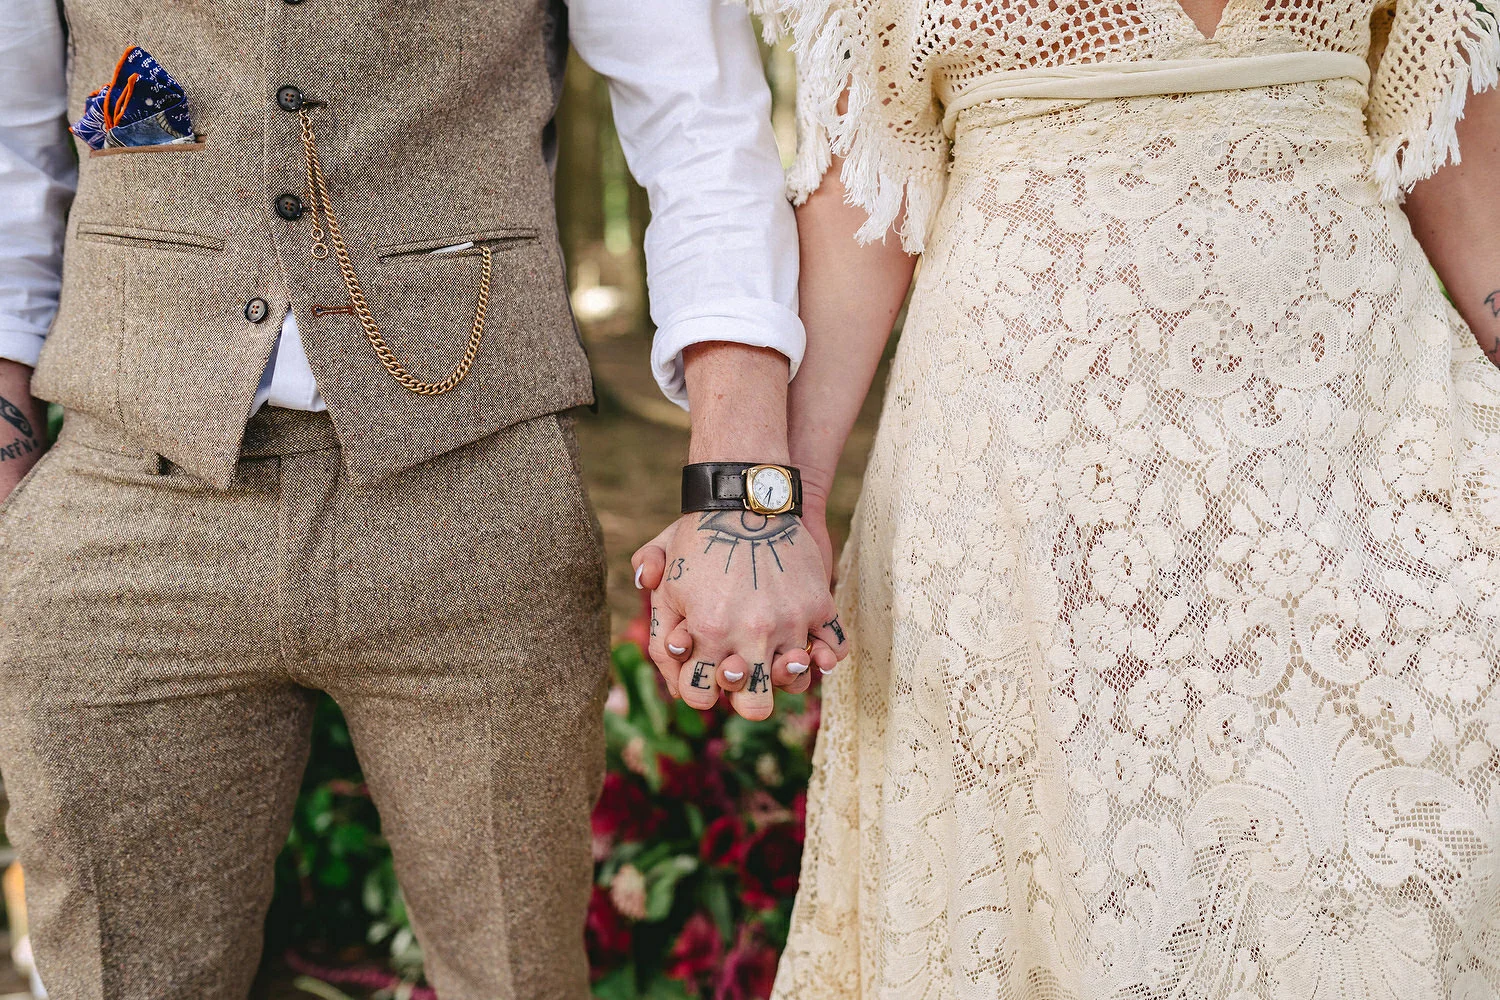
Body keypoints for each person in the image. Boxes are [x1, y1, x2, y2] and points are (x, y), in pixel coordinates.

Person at [656, 0, 1500, 995]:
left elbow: (1449, 135)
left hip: (1377, 467)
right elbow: (864, 201)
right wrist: (757, 517)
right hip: (1028, 512)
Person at [0, 1, 813, 997]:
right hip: (125, 489)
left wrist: (744, 501)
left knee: (516, 978)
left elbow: (700, 123)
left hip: (477, 482)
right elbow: (11, 140)